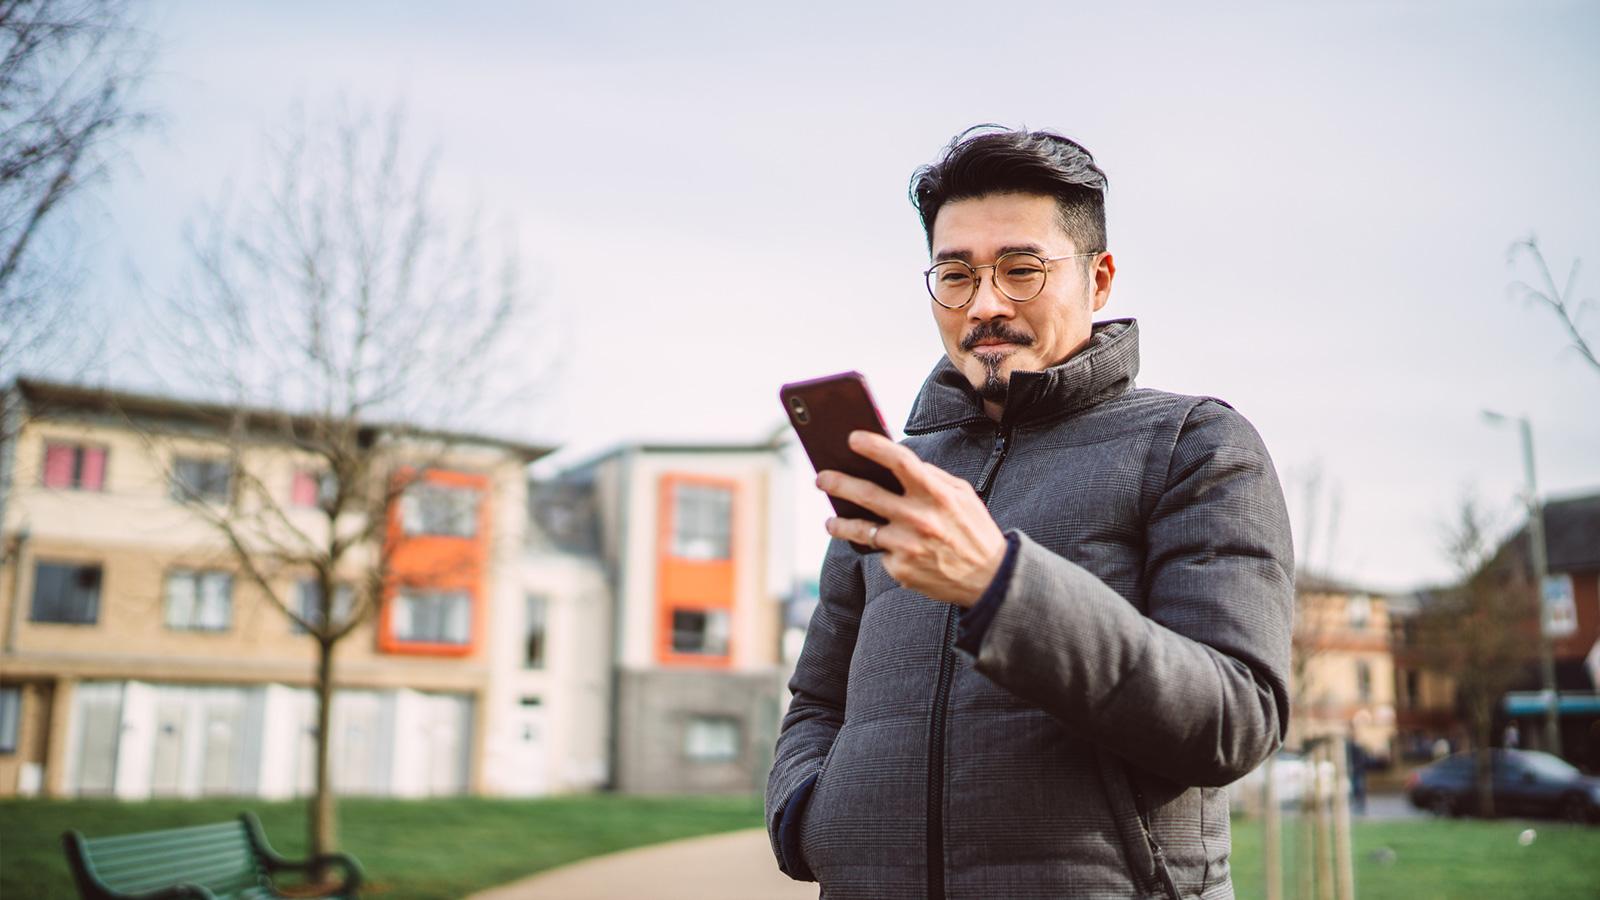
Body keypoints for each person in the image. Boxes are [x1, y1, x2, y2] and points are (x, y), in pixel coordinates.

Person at [765, 126, 1295, 900]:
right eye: (955, 275)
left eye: (1021, 270)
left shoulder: (1195, 446)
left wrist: (1001, 587)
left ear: (1100, 277)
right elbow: (817, 701)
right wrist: (809, 816)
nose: (985, 305)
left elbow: (1235, 717)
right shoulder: (900, 473)